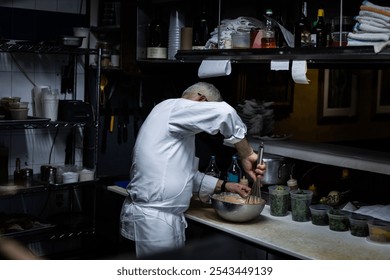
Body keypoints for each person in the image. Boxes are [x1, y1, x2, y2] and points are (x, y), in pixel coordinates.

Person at [120, 82, 266, 258]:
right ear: (201, 100)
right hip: (155, 221)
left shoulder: (174, 123)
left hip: (162, 218)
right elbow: (224, 113)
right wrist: (247, 153)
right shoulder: (174, 107)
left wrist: (226, 186)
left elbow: (185, 174)